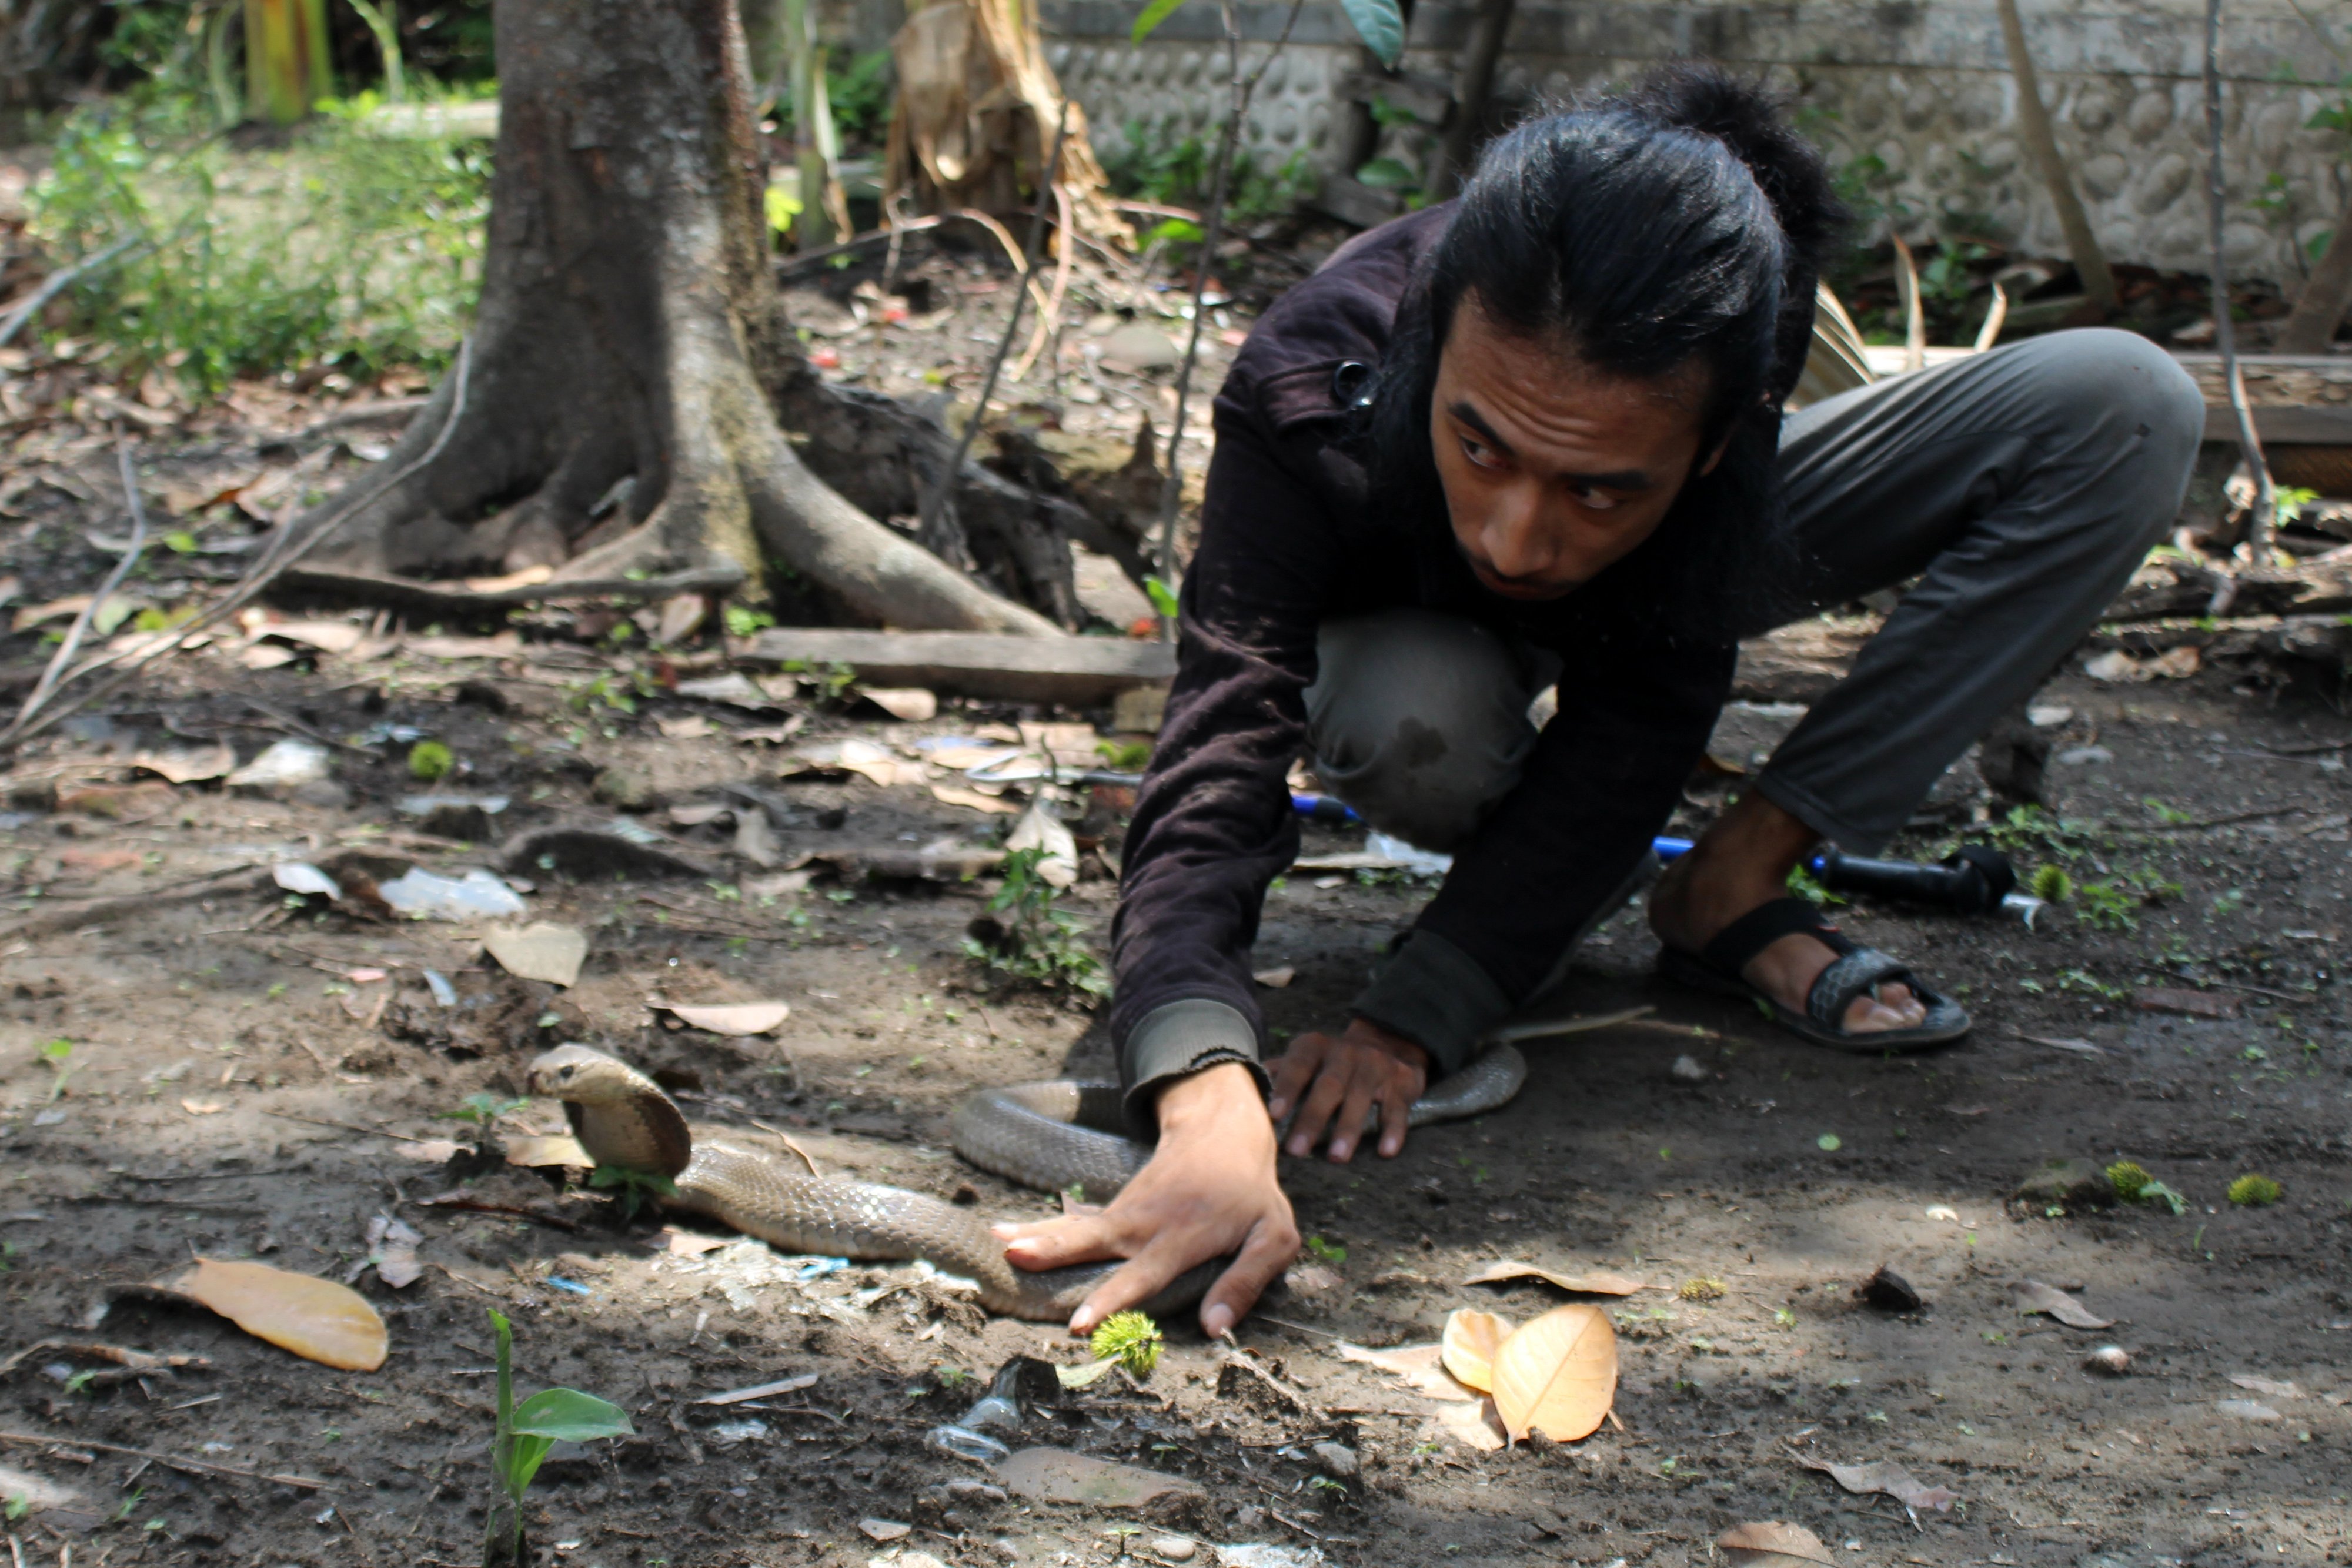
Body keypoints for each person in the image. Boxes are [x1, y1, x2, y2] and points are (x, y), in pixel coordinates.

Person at [994, 65, 2206, 1337]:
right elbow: (1223, 732)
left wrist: (1417, 1015)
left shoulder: (1732, 359)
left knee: (2121, 401)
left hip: (1661, 564)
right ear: (1430, 347)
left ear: (1718, 439)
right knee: (1420, 718)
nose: (1516, 538)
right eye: (1481, 447)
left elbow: (1644, 713)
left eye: (1591, 487)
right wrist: (1197, 1082)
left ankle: (1730, 880)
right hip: (1407, 617)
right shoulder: (1319, 365)